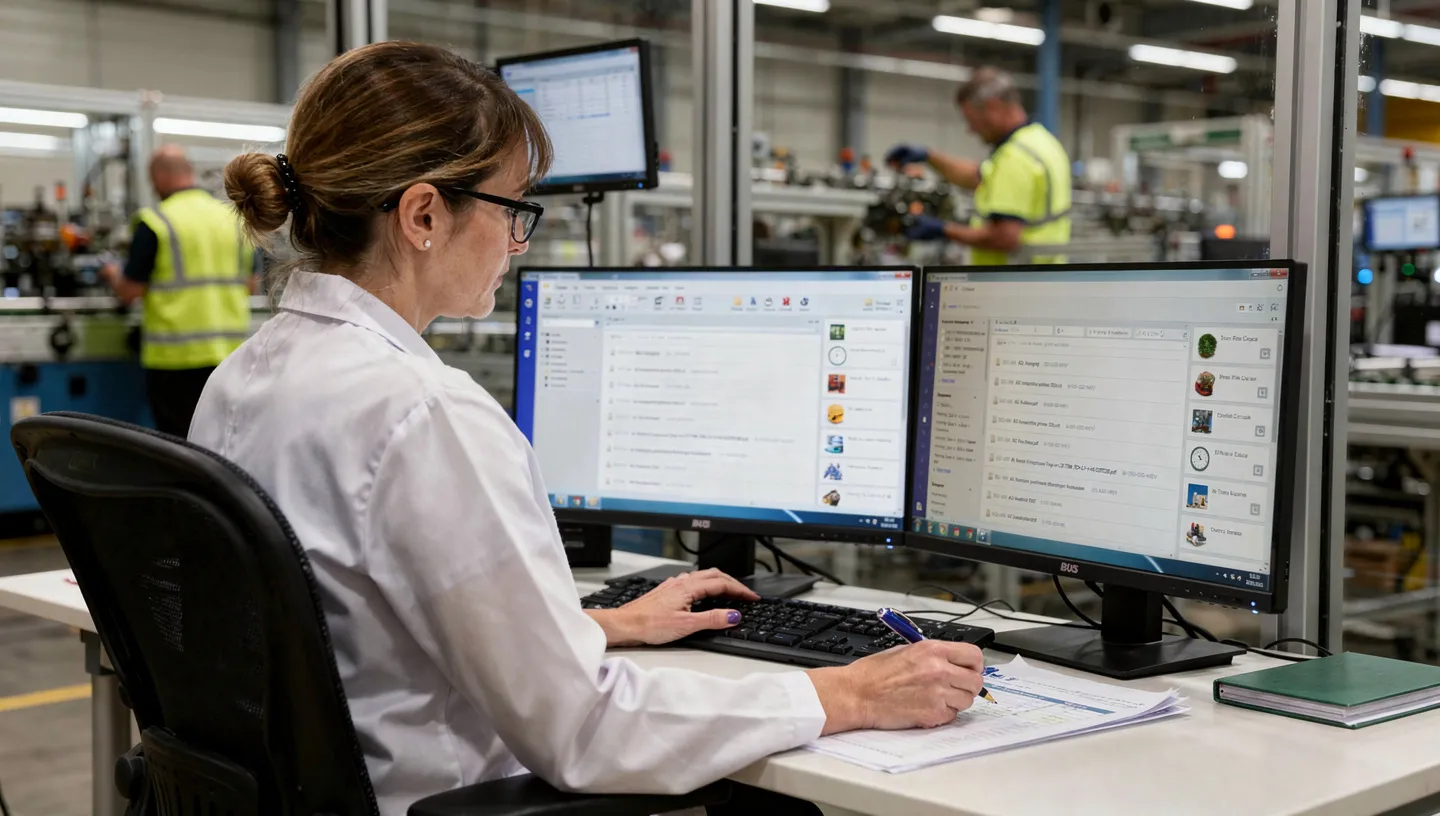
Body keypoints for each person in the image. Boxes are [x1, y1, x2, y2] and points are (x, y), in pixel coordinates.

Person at [205, 41, 987, 816]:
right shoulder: (424, 414)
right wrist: (837, 691)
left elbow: (359, 622)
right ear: (422, 214)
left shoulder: (241, 380)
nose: (520, 243)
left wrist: (595, 624)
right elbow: (584, 732)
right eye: (514, 211)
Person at [101, 146, 255, 436]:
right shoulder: (234, 220)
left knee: (180, 451)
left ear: (159, 176)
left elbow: (129, 291)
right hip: (230, 358)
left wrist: (112, 273)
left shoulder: (156, 221)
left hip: (174, 363)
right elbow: (251, 284)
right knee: (222, 445)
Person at [886, 66, 1072, 264]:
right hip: (1044, 277)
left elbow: (1005, 237)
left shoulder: (1015, 158)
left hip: (1014, 283)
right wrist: (928, 156)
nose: (971, 130)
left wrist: (943, 230)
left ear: (992, 107)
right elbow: (978, 177)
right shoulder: (1040, 141)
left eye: (971, 120)